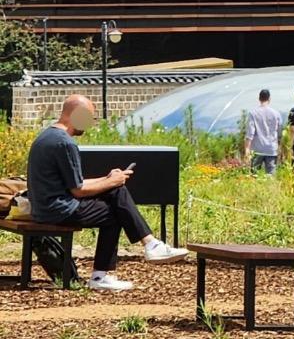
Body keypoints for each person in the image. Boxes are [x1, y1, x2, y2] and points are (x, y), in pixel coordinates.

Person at [25, 94, 190, 292]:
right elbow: (78, 191)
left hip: (44, 208)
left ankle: (149, 246)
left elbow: (73, 184)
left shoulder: (46, 137)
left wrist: (108, 179)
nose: (89, 125)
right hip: (60, 211)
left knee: (116, 191)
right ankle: (115, 267)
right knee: (115, 213)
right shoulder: (66, 144)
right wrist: (111, 182)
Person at [244, 88, 283, 174]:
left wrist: (247, 148)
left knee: (254, 174)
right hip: (271, 149)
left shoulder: (253, 113)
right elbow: (279, 132)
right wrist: (279, 146)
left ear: (259, 98)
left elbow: (250, 133)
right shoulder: (276, 114)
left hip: (257, 149)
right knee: (271, 175)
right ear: (269, 99)